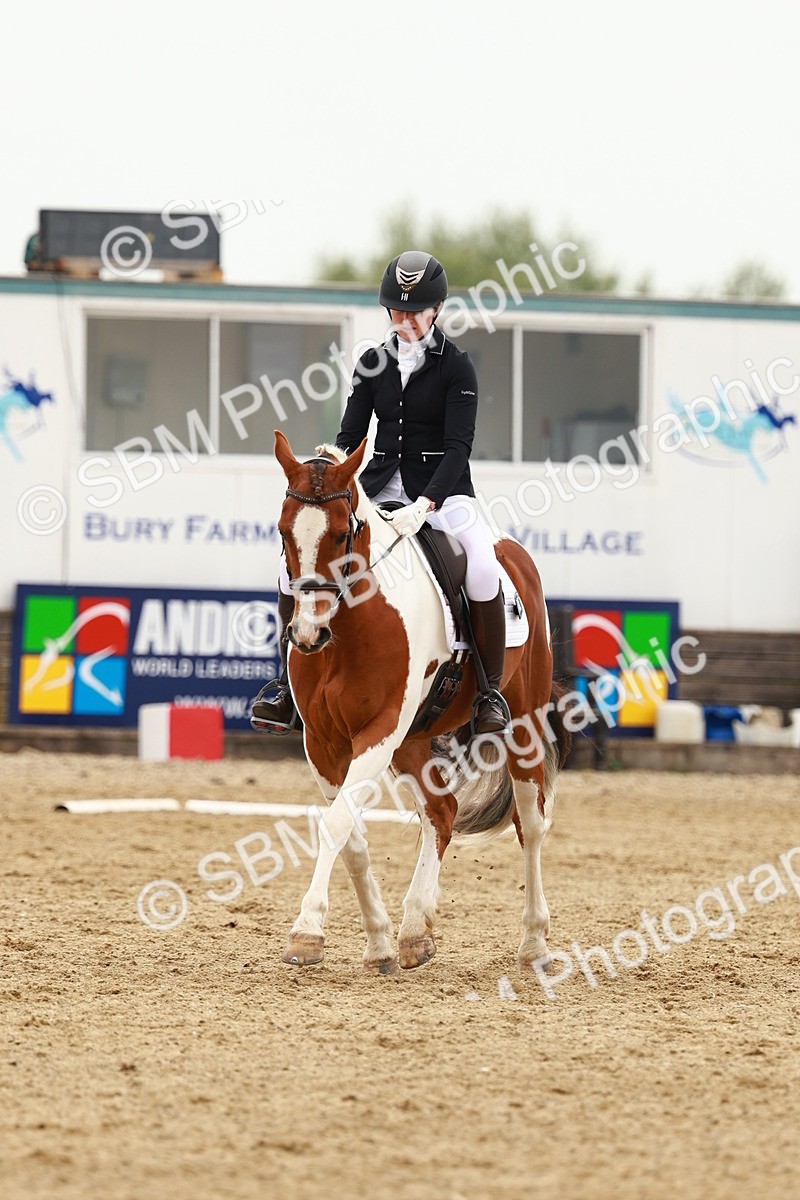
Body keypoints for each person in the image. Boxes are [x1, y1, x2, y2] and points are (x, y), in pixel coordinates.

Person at [252, 250, 509, 735]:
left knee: (481, 565)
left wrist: (426, 504)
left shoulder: (458, 368)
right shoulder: (372, 362)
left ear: (436, 310)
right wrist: (327, 474)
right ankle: (286, 687)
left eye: (415, 311)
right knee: (294, 565)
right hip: (373, 487)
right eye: (397, 310)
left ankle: (491, 693)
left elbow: (459, 447)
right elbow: (350, 435)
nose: (405, 319)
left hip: (444, 492)